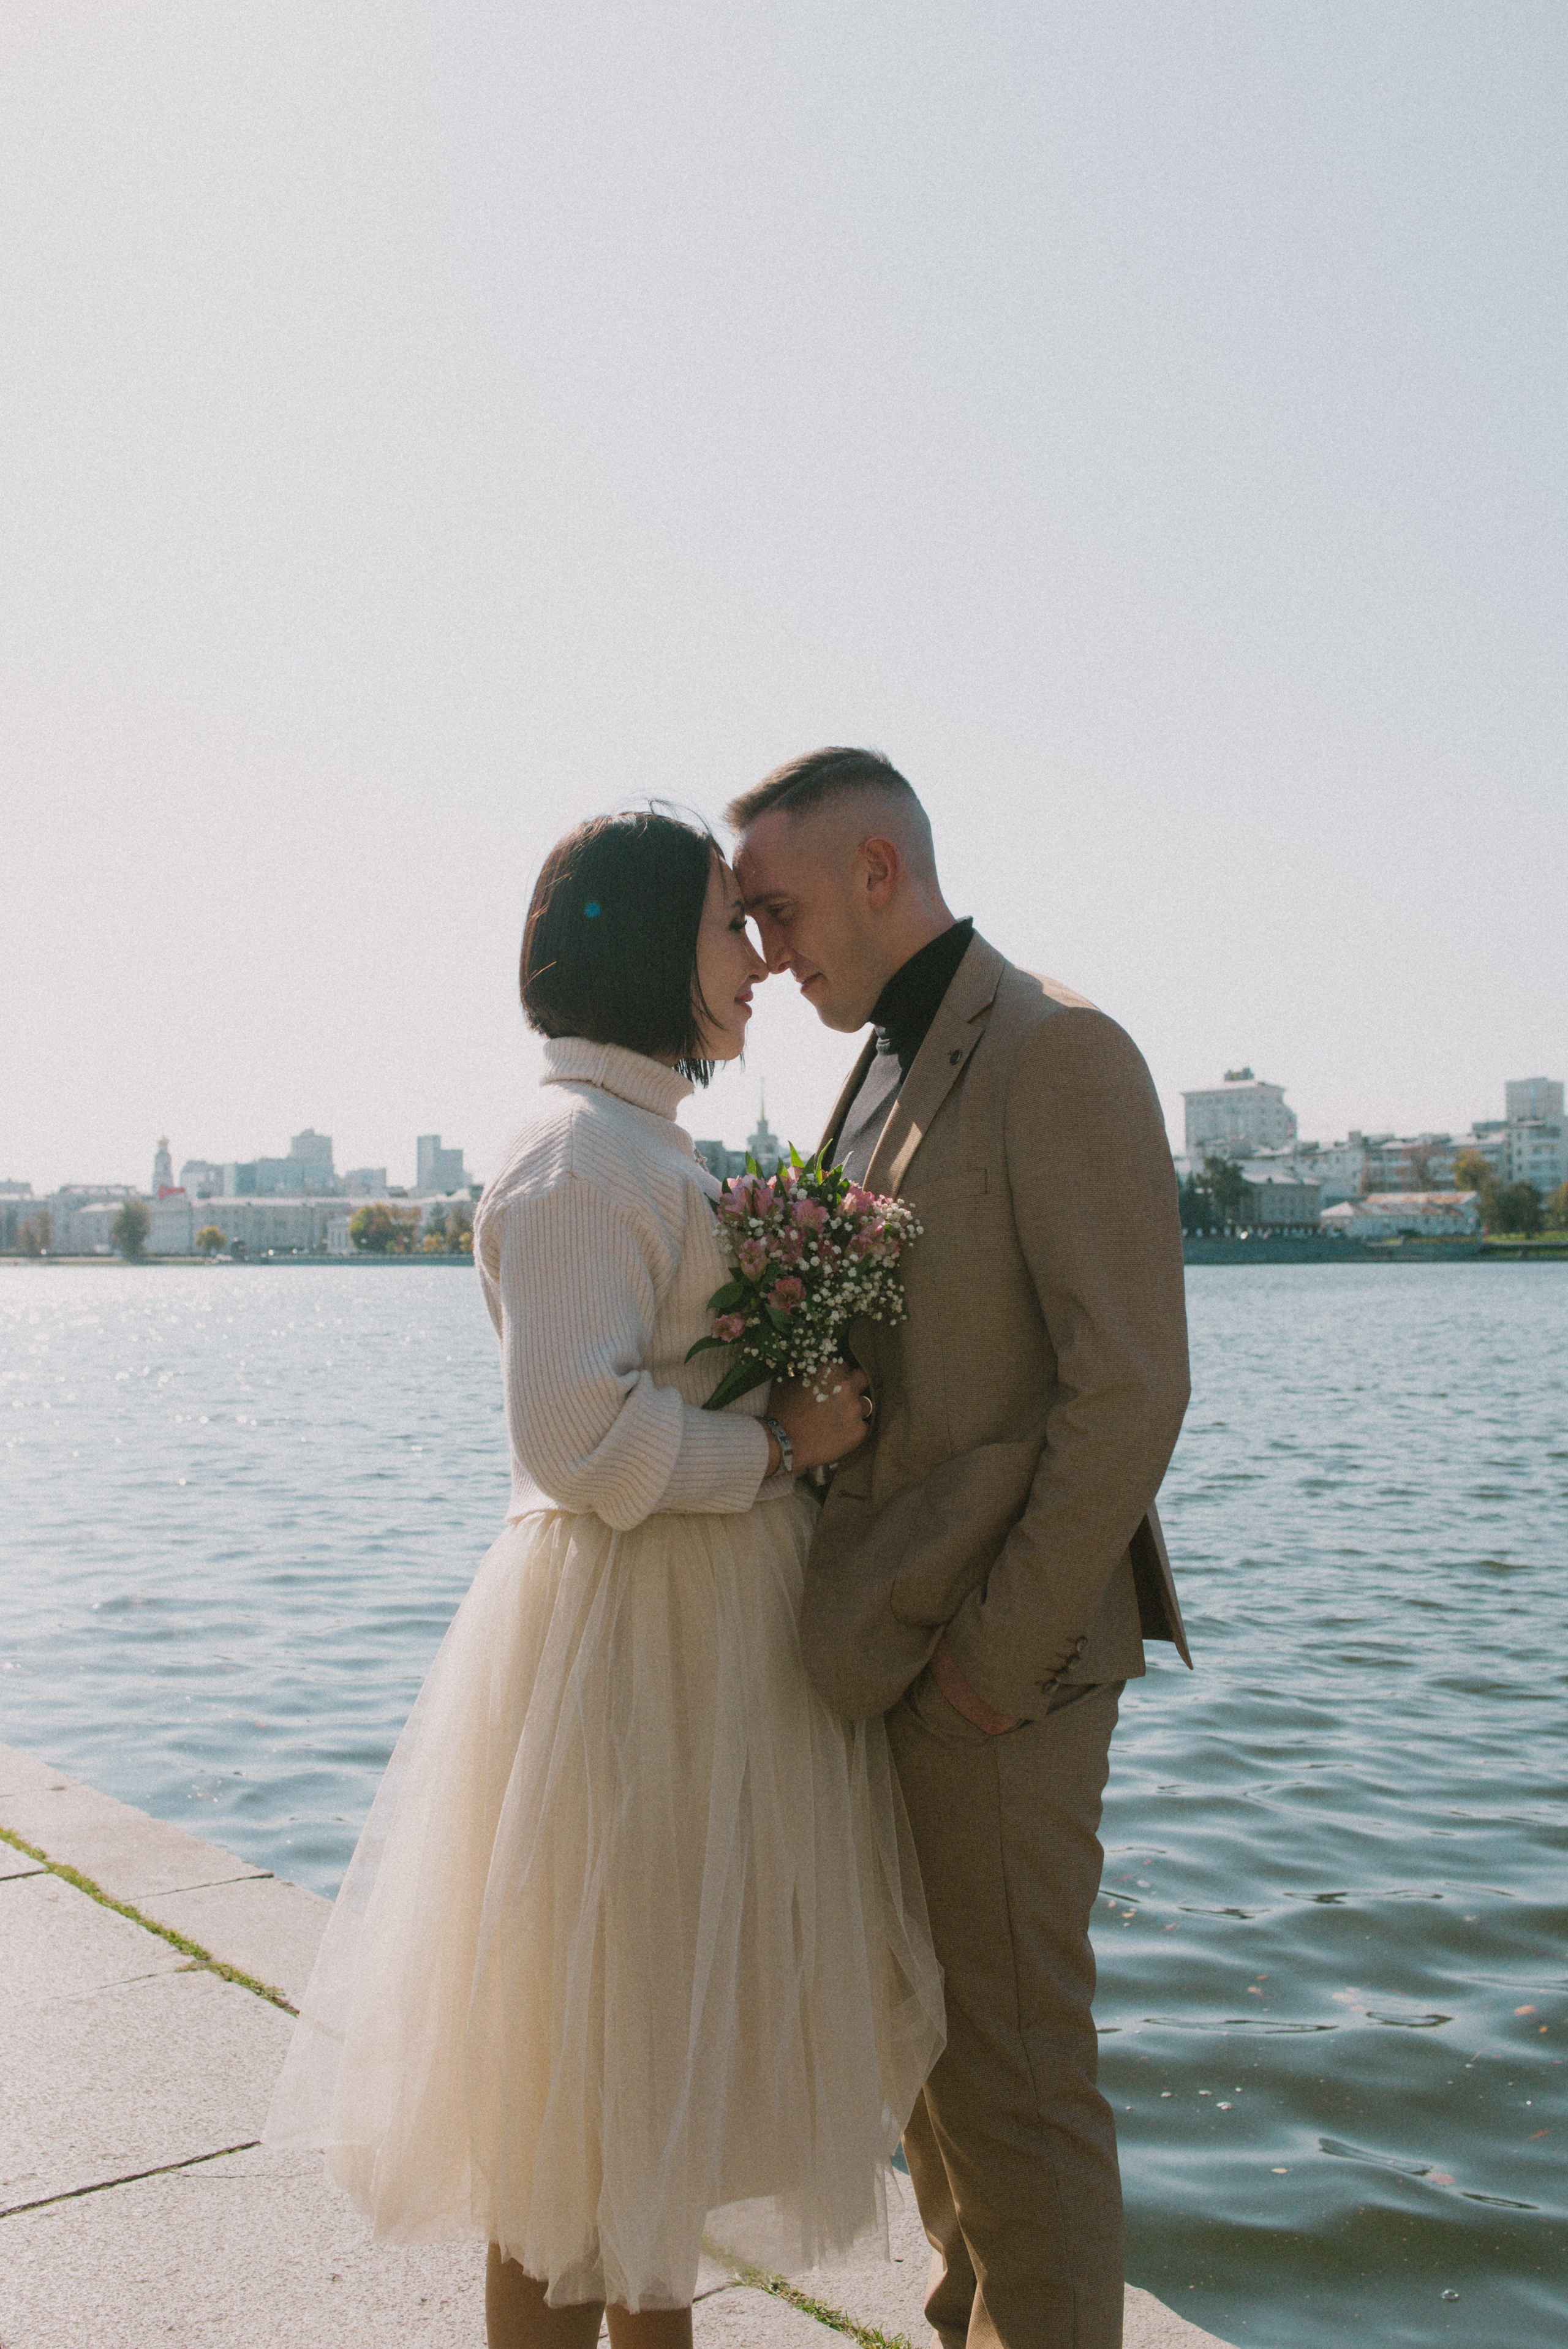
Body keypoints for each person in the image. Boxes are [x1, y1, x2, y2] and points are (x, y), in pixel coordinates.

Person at [265, 809, 944, 2349]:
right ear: (649, 950)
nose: (756, 964)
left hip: (693, 1649)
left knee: (653, 2110)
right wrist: (775, 1446)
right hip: (626, 1654)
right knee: (578, 2120)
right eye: (724, 928)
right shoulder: (573, 1153)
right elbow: (579, 1438)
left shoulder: (638, 1140)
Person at [730, 749, 1191, 2349]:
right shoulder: (872, 1069)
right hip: (889, 1652)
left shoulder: (1059, 1051)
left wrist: (989, 1666)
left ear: (877, 869)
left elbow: (1129, 1386)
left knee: (1015, 2092)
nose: (767, 952)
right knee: (935, 2087)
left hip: (1005, 1672)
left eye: (778, 910)